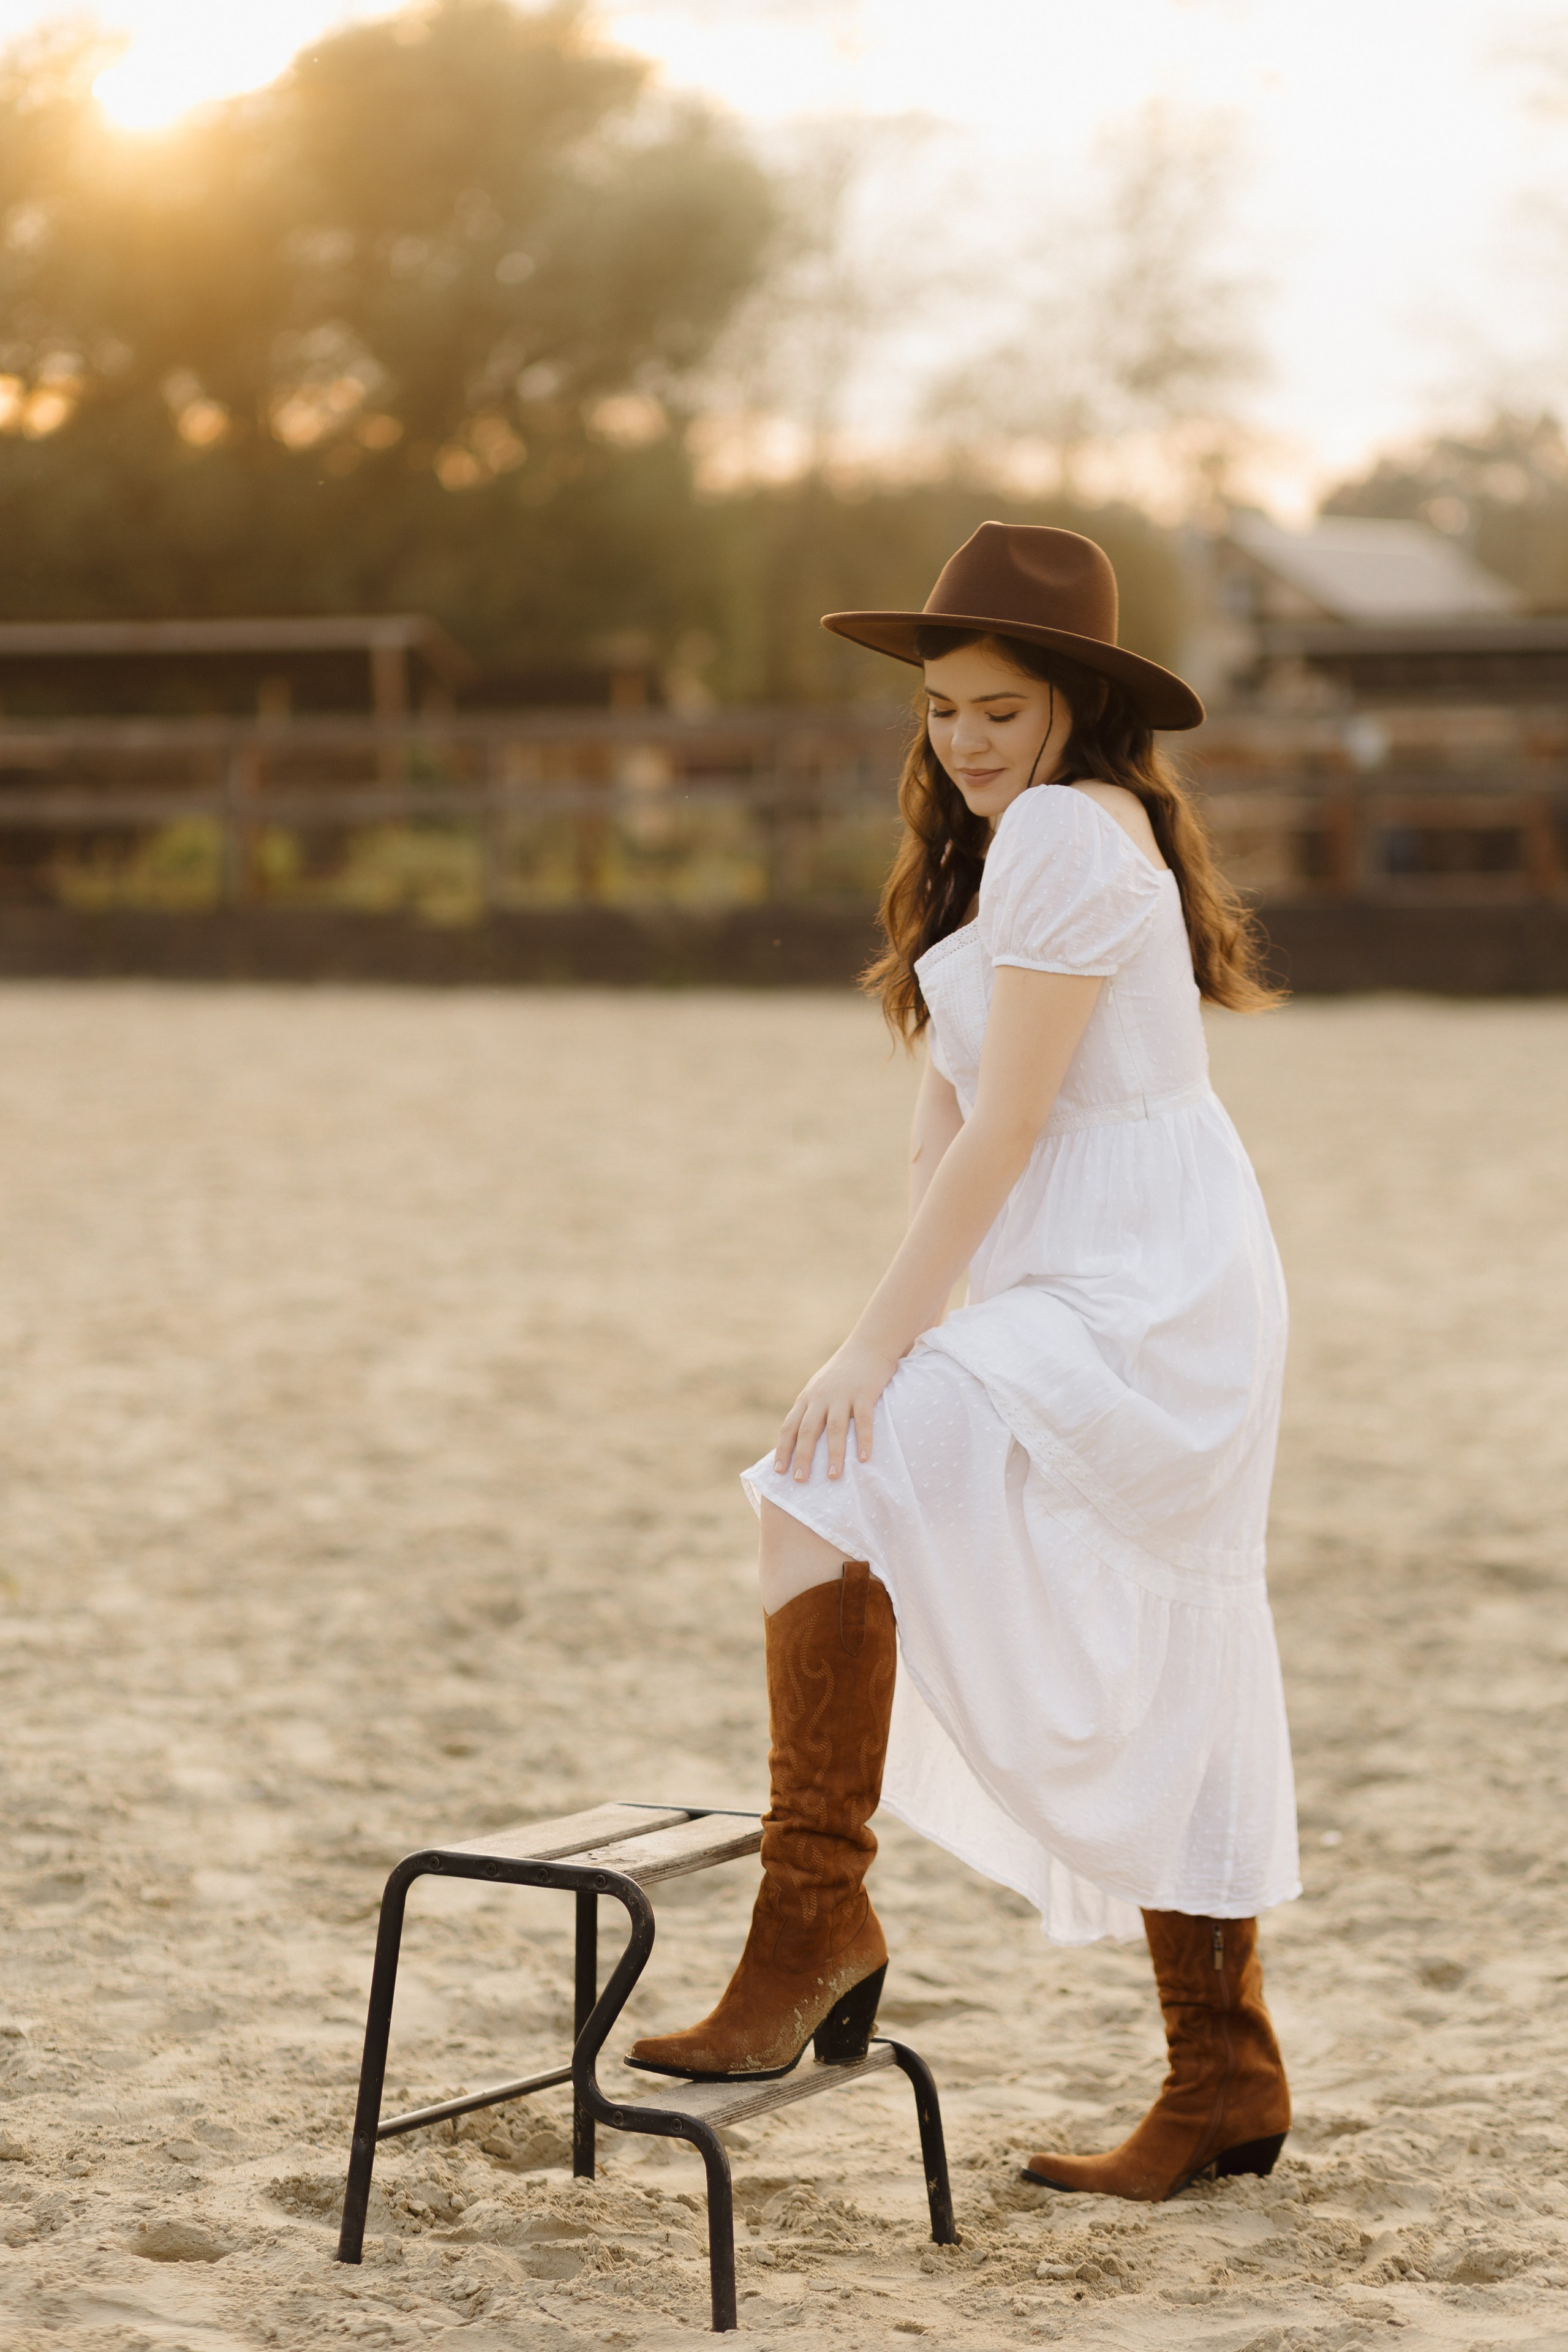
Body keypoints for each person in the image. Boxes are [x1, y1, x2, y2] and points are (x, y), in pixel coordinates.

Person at [628, 523, 1298, 2202]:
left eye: (1001, 707)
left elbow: (1008, 1125)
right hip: (1092, 1250)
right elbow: (946, 1142)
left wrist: (881, 1341)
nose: (969, 741)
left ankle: (814, 1917)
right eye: (943, 713)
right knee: (1095, 1598)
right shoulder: (1014, 843)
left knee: (826, 1476)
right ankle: (1223, 2071)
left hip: (1145, 1275)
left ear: (1074, 704)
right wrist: (894, 1315)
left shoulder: (1072, 834)